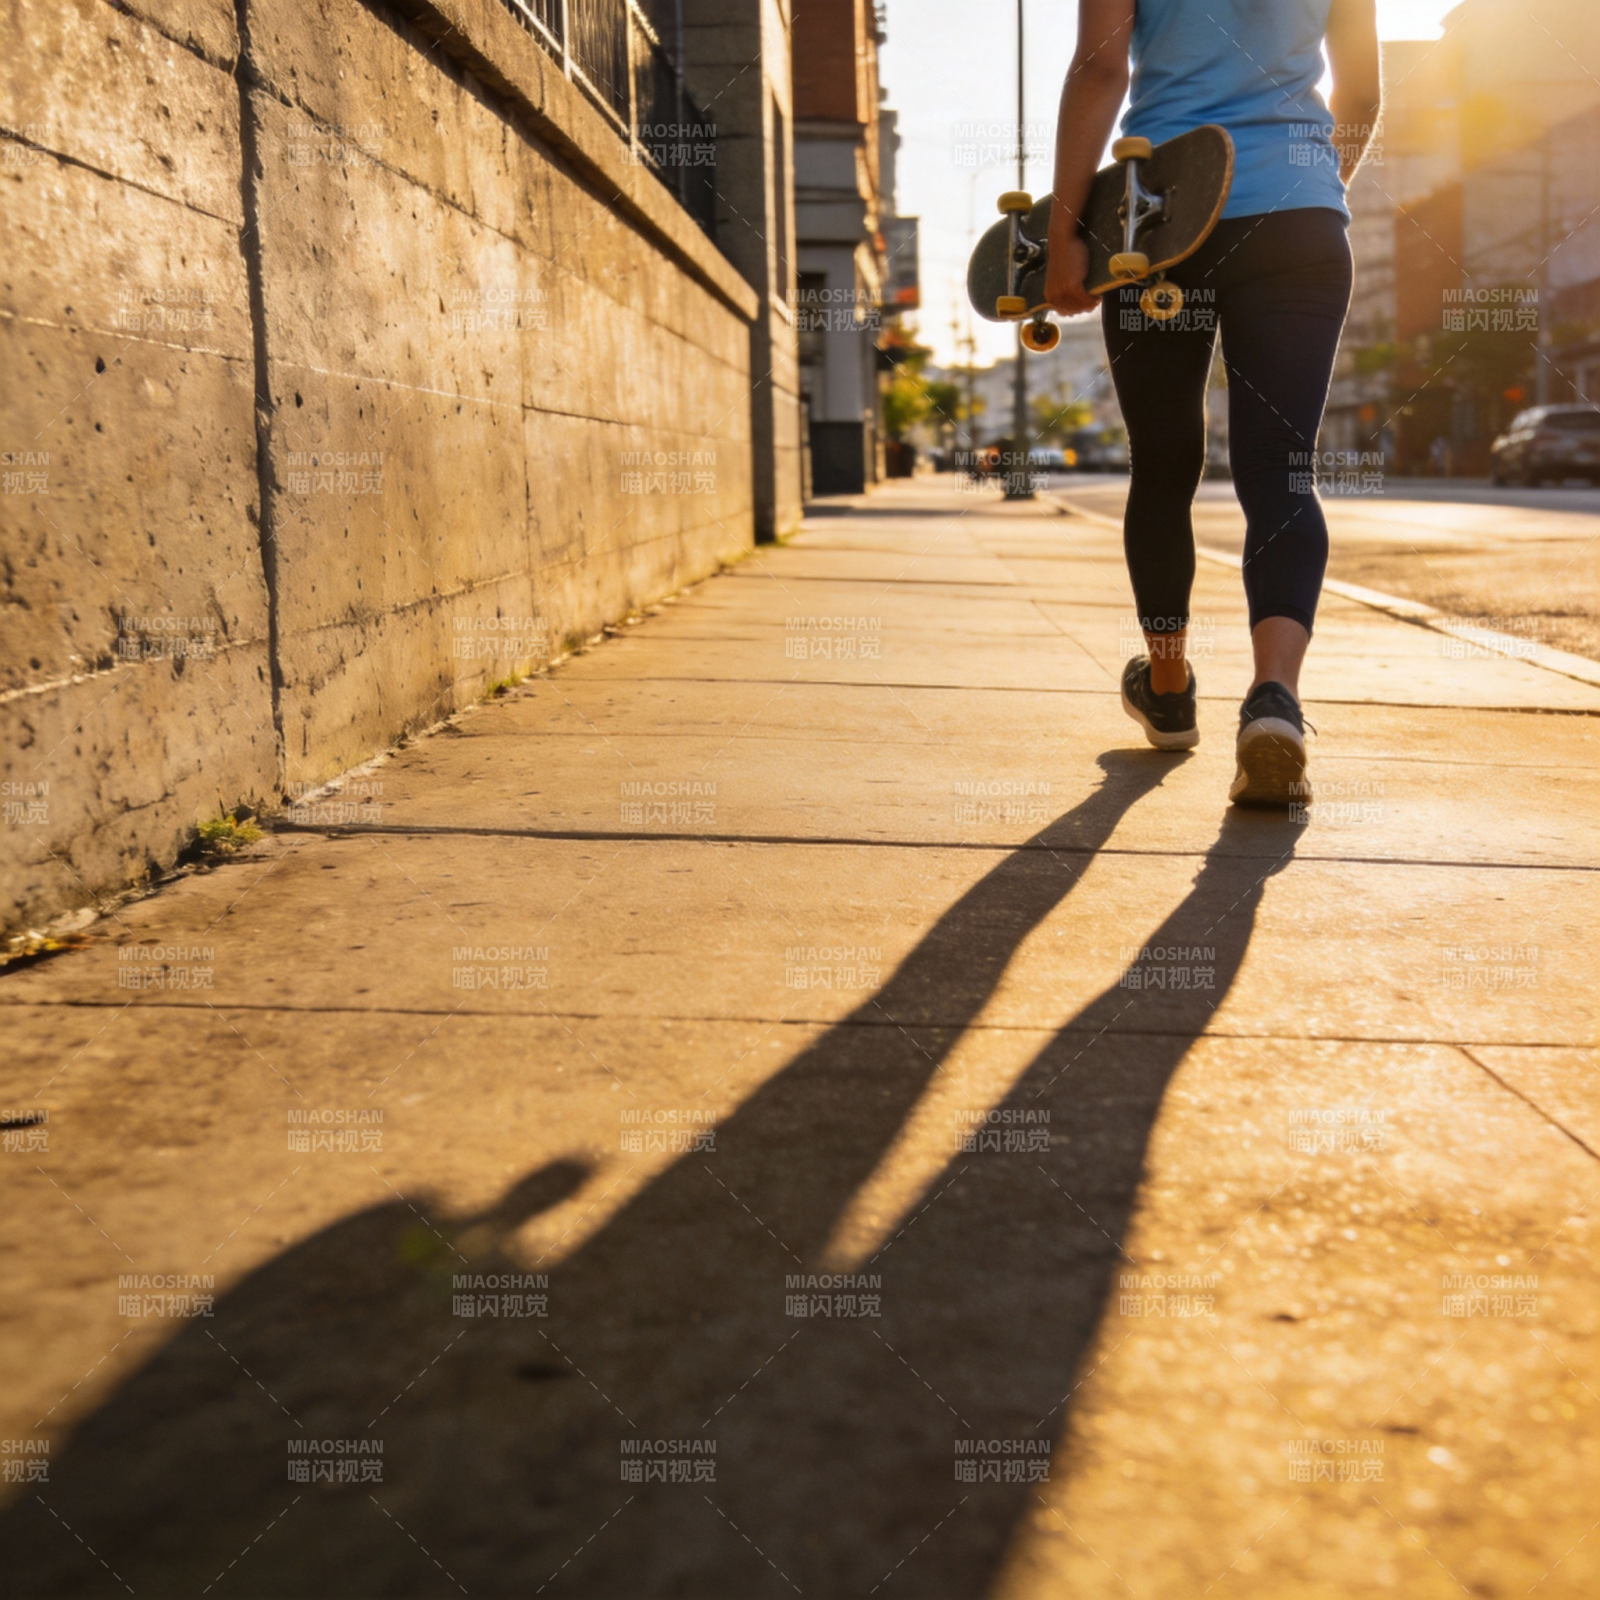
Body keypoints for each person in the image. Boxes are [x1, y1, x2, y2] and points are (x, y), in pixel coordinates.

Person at [1044, 0, 1381, 804]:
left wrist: (1063, 232)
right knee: (1281, 469)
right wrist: (1308, 189)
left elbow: (1100, 69)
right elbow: (1361, 94)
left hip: (1158, 220)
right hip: (1298, 216)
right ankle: (1276, 701)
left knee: (1163, 467)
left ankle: (1167, 687)